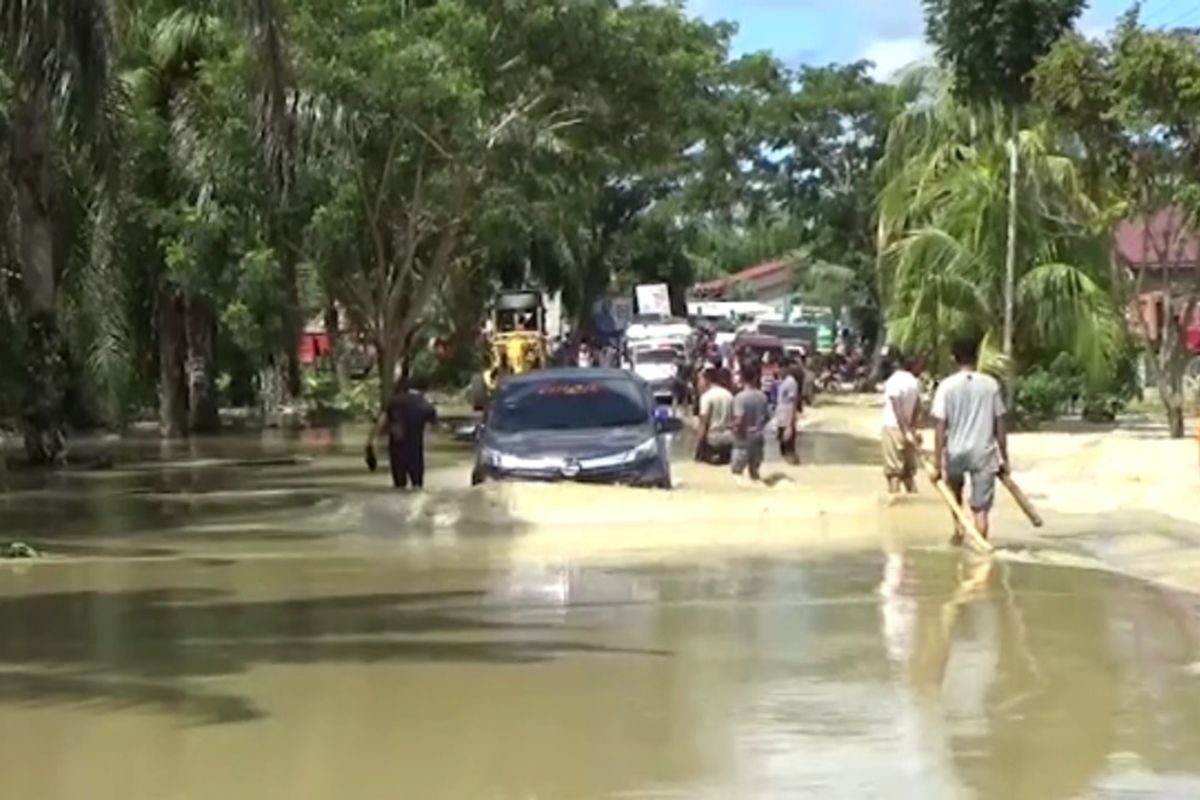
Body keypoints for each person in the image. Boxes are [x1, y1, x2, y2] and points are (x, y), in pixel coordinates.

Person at [931, 335, 1008, 543]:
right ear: (977, 356)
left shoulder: (946, 386)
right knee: (981, 509)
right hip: (984, 453)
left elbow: (940, 427)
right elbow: (999, 424)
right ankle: (981, 548)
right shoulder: (991, 385)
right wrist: (1004, 458)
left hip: (956, 451)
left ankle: (958, 531)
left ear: (953, 358)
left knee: (954, 495)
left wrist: (937, 463)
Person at [367, 377, 438, 490]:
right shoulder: (427, 407)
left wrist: (370, 445)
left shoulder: (394, 401)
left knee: (399, 486)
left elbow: (380, 424)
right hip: (415, 452)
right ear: (425, 390)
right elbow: (435, 430)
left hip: (396, 451)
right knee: (417, 487)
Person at [881, 349, 922, 494]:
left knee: (893, 473)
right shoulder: (915, 382)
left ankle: (895, 507)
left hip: (893, 427)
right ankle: (914, 505)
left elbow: (896, 406)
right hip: (908, 429)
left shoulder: (894, 380)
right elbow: (917, 407)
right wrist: (912, 429)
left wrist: (905, 430)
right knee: (908, 474)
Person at [731, 362, 770, 482]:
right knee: (754, 473)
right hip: (758, 438)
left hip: (743, 440)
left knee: (736, 473)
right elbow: (767, 417)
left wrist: (734, 429)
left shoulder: (740, 397)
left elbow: (739, 418)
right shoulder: (762, 397)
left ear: (742, 378)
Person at [695, 367, 735, 465]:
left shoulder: (706, 397)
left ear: (707, 380)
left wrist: (699, 449)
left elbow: (703, 424)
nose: (698, 384)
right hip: (730, 440)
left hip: (713, 441)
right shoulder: (729, 395)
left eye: (700, 380)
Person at [774, 360, 802, 465]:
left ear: (785, 368)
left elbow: (792, 403)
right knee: (783, 448)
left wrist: (790, 424)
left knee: (789, 449)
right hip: (781, 418)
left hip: (787, 418)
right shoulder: (781, 381)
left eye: (778, 368)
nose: (777, 371)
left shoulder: (791, 383)